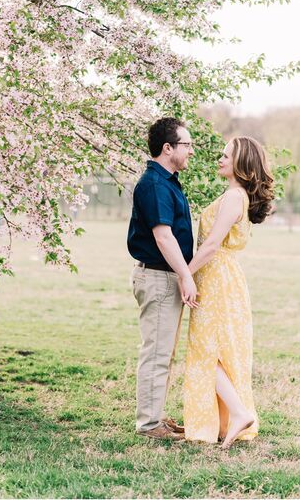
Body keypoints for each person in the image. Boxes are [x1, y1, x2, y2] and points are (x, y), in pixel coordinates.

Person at [182, 136, 275, 449]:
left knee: (206, 348)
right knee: (209, 348)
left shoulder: (235, 196)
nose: (219, 159)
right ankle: (234, 413)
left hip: (218, 277)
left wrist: (185, 274)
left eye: (225, 156)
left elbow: (211, 245)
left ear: (242, 163)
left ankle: (237, 412)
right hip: (222, 276)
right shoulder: (235, 196)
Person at [128, 117, 197, 440]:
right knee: (156, 352)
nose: (191, 151)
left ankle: (155, 415)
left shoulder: (167, 181)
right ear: (167, 148)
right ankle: (149, 424)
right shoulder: (154, 184)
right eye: (186, 145)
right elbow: (163, 237)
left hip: (165, 276)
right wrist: (186, 276)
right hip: (158, 277)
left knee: (163, 352)